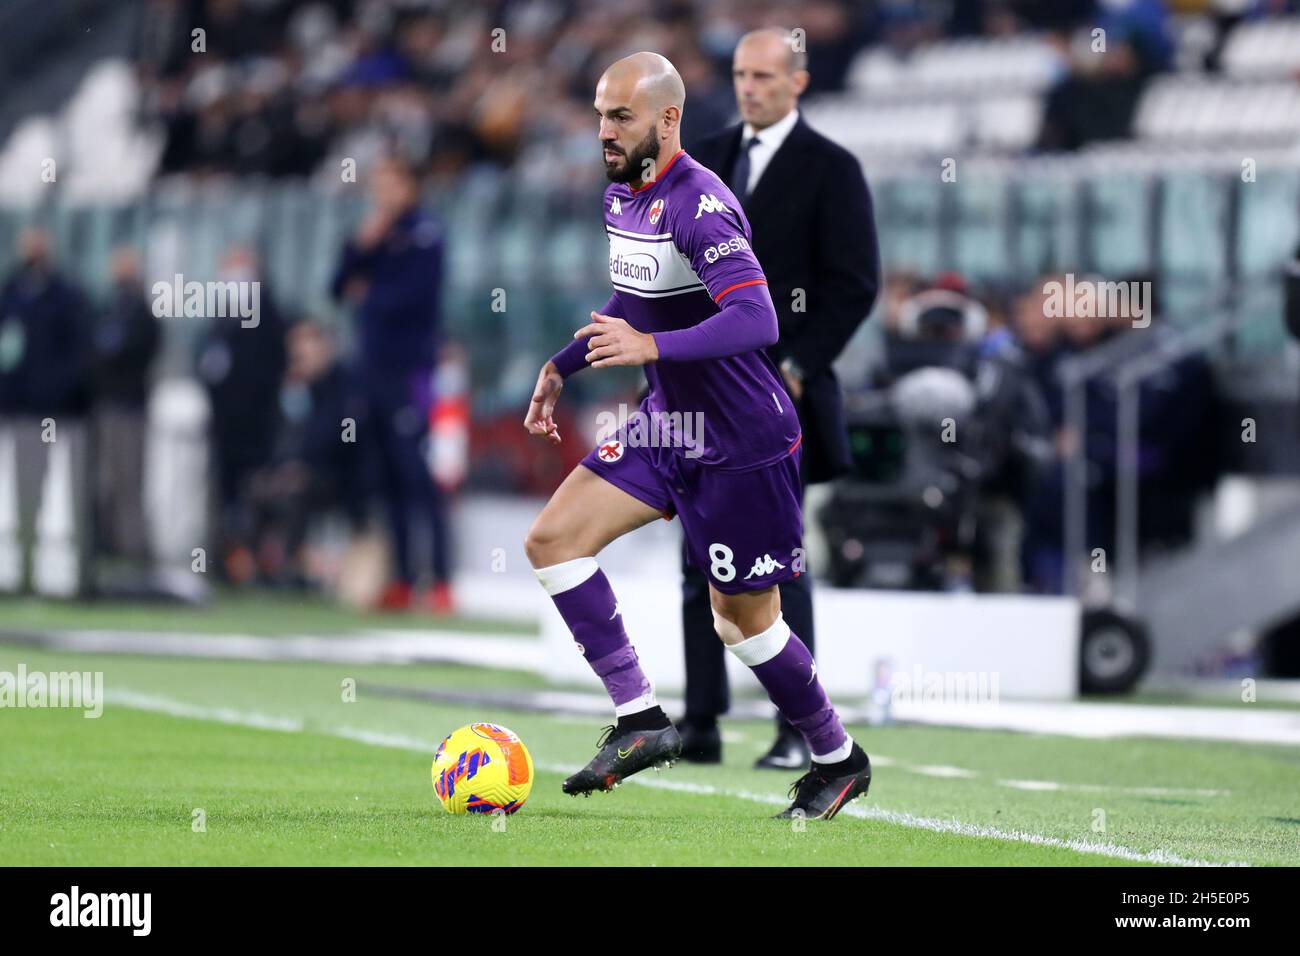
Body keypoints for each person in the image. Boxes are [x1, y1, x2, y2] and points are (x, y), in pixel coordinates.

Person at [522, 52, 872, 819]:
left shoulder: (700, 202)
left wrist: (652, 351)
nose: (605, 131)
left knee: (742, 624)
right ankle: (641, 719)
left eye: (621, 117)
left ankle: (837, 756)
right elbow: (631, 298)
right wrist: (563, 364)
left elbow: (758, 319)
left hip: (744, 439)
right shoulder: (624, 195)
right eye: (599, 114)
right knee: (552, 541)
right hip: (668, 424)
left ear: (667, 118)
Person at [681, 28, 880, 768]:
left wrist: (797, 364)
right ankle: (701, 721)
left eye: (764, 75)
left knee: (779, 565)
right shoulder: (705, 157)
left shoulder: (832, 169)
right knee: (696, 557)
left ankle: (798, 728)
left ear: (798, 82)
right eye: (740, 74)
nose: (749, 87)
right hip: (698, 392)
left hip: (778, 399)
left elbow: (853, 285)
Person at [331, 155, 453, 614]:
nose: (380, 194)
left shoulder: (425, 234)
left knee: (417, 476)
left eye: (389, 183)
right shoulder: (375, 237)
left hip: (410, 372)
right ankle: (402, 579)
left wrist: (372, 291)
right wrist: (360, 248)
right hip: (373, 373)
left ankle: (439, 579)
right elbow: (337, 288)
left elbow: (411, 299)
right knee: (384, 478)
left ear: (409, 185)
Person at [90, 247, 160, 570]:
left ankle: (132, 552)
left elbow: (137, 351)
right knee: (105, 481)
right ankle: (105, 545)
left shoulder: (142, 312)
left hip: (130, 407)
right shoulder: (108, 307)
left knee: (128, 481)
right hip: (106, 405)